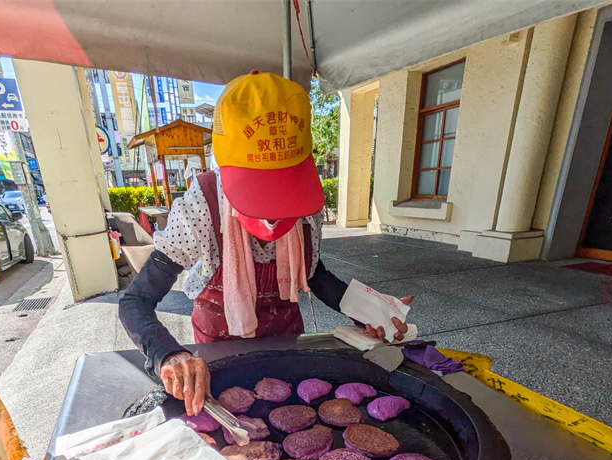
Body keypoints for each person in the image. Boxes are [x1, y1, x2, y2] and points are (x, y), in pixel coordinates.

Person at [119, 72, 411, 416]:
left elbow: (314, 274)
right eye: (261, 191)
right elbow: (136, 301)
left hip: (287, 347)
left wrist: (371, 310)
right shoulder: (202, 206)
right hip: (219, 356)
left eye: (283, 189)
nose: (274, 215)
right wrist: (170, 354)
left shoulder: (307, 204)